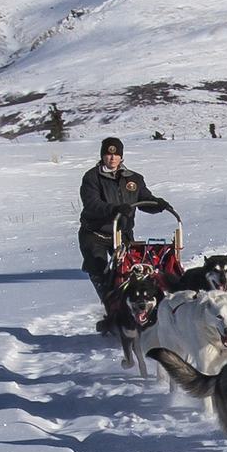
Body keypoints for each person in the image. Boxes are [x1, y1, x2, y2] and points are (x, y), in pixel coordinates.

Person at [77, 137, 169, 327]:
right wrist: (113, 209)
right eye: (108, 154)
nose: (112, 158)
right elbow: (92, 203)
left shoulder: (133, 179)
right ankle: (111, 310)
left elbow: (144, 199)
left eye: (116, 154)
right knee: (100, 270)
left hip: (122, 234)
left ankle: (132, 311)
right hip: (95, 234)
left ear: (121, 156)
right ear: (102, 156)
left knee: (129, 273)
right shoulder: (92, 177)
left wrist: (157, 204)